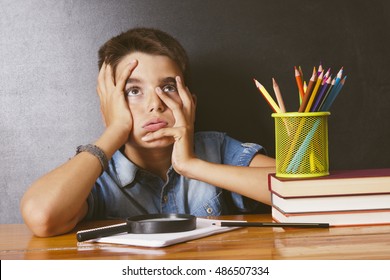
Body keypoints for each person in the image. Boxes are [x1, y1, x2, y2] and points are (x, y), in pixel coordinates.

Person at [20, 27, 276, 237]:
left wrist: (191, 165)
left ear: (191, 104)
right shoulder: (95, 174)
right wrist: (116, 128)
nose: (155, 104)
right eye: (133, 91)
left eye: (168, 87)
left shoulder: (216, 149)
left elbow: (305, 188)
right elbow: (42, 216)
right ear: (109, 106)